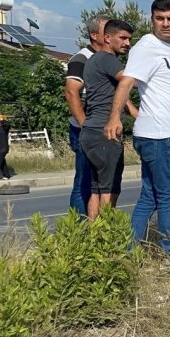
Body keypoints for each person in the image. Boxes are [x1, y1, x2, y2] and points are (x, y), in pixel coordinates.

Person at [104, 0, 170, 262]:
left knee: (150, 196)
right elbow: (126, 82)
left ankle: (129, 252)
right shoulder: (147, 47)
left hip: (167, 133)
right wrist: (114, 117)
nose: (166, 23)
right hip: (158, 135)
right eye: (160, 18)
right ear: (152, 20)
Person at [80, 19, 137, 220]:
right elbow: (129, 81)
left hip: (90, 130)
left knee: (96, 189)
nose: (127, 43)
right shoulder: (108, 59)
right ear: (107, 37)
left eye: (129, 39)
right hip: (105, 131)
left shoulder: (93, 60)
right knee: (110, 190)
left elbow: (118, 95)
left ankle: (94, 233)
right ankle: (106, 233)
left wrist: (136, 114)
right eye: (122, 38)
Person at [64, 15, 108, 214]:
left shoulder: (107, 58)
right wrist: (85, 125)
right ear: (93, 35)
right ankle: (79, 226)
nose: (111, 35)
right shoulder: (81, 59)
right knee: (84, 181)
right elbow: (71, 92)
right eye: (106, 31)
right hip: (86, 130)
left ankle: (96, 225)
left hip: (102, 130)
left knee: (101, 183)